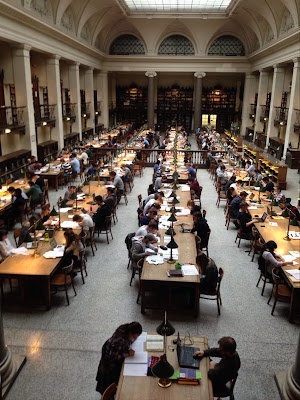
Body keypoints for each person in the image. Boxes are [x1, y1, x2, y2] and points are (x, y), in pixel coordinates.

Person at [96, 322, 143, 394]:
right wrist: (127, 353)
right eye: (136, 336)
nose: (137, 337)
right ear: (132, 333)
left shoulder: (126, 330)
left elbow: (129, 342)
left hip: (110, 351)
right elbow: (113, 357)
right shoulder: (120, 341)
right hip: (110, 364)